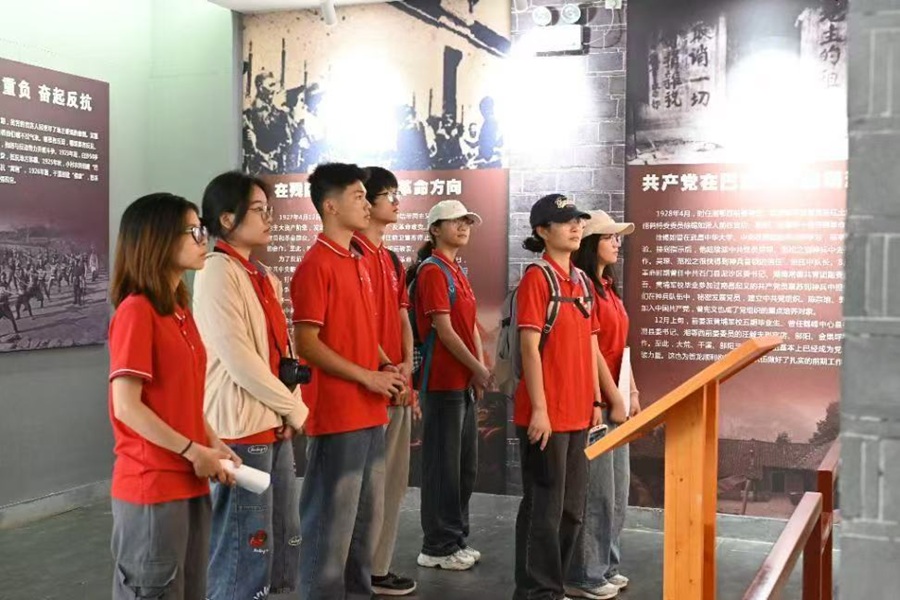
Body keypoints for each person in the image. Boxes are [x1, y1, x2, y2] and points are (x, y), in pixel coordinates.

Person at [107, 193, 241, 600]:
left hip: (191, 481)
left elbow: (184, 400)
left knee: (190, 589)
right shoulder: (137, 311)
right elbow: (127, 406)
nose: (204, 240)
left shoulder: (179, 310)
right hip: (153, 486)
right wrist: (192, 450)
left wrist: (214, 444)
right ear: (158, 238)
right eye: (193, 231)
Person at [291, 163, 406, 599]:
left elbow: (359, 332)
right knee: (329, 527)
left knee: (364, 523)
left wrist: (385, 366)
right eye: (358, 196)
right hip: (338, 413)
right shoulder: (315, 264)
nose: (366, 204)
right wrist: (366, 377)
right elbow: (307, 342)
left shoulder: (358, 261)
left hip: (369, 410)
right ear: (330, 206)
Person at [193, 171, 309, 600]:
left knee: (279, 535)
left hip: (271, 422)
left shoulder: (259, 275)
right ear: (227, 218)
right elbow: (240, 359)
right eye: (258, 210)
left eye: (268, 209)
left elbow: (282, 352)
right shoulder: (217, 272)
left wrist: (289, 407)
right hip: (241, 429)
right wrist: (294, 409)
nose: (268, 218)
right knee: (245, 543)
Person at [513, 194, 604, 600]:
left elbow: (590, 344)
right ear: (542, 231)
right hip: (546, 416)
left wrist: (596, 400)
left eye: (578, 221)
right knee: (544, 509)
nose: (576, 227)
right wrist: (539, 409)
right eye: (566, 221)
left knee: (571, 511)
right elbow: (529, 348)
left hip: (579, 414)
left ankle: (554, 585)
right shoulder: (537, 278)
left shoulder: (582, 281)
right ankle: (537, 591)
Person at [408, 199, 489, 571]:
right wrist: (477, 368)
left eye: (466, 221)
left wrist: (477, 370)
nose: (462, 226)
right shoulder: (432, 271)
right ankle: (436, 546)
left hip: (462, 383)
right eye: (454, 221)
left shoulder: (456, 271)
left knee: (463, 467)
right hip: (441, 384)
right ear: (435, 229)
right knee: (443, 468)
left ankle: (456, 539)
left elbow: (469, 326)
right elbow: (443, 329)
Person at [566, 210, 640, 600]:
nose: (617, 243)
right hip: (596, 401)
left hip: (617, 399)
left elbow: (619, 347)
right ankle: (585, 573)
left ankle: (607, 564)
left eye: (618, 237)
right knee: (596, 492)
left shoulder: (608, 287)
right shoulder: (584, 287)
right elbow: (591, 349)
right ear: (593, 242)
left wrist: (633, 391)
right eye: (610, 237)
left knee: (617, 490)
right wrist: (612, 396)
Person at [353, 166, 418, 596]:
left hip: (396, 384)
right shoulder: (352, 254)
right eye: (387, 194)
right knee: (366, 487)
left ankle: (379, 566)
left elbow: (401, 315)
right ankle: (358, 571)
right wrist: (386, 364)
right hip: (367, 387)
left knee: (393, 482)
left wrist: (407, 363)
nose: (396, 202)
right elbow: (357, 322)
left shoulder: (392, 259)